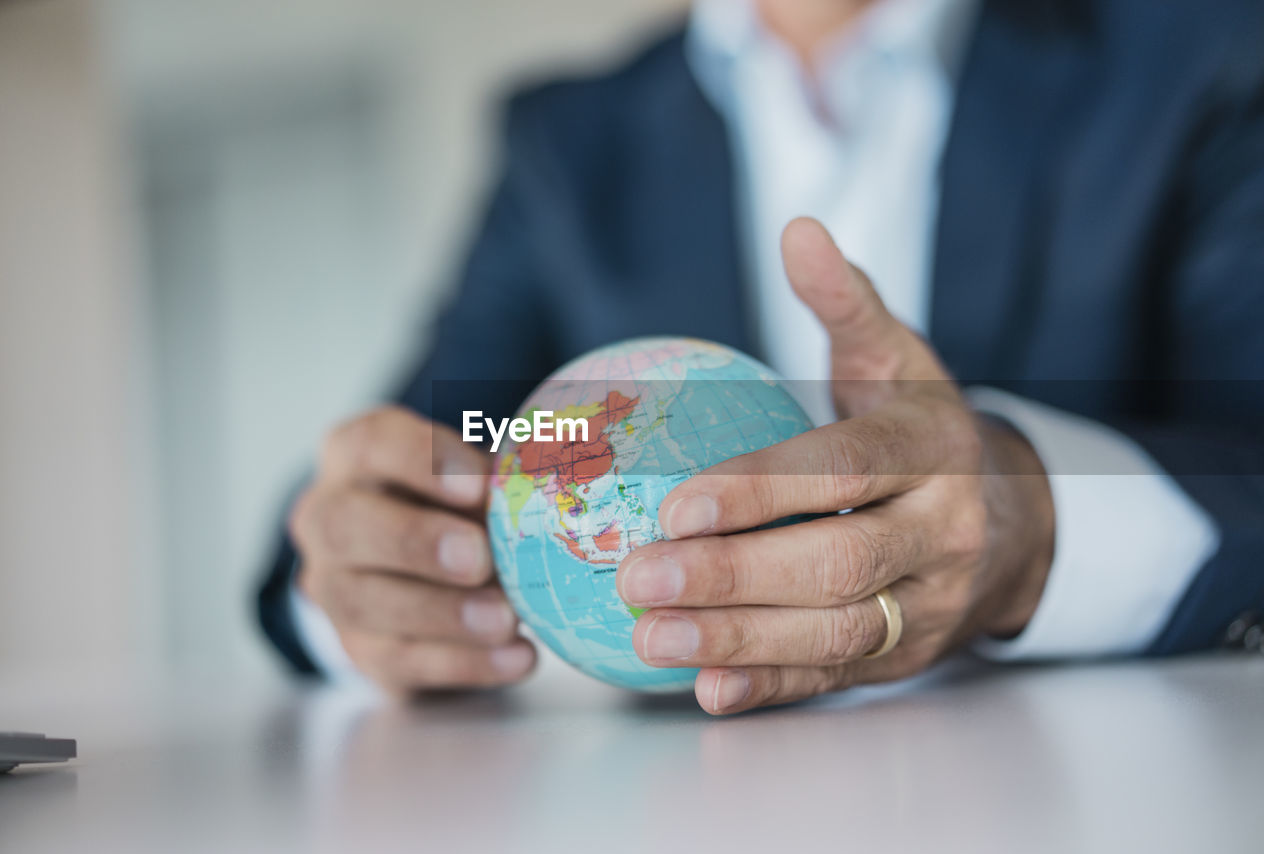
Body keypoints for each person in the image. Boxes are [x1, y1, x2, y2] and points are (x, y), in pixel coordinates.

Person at [258, 0, 1264, 714]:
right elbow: (419, 458)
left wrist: (1030, 523)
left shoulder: (1204, 50)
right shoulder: (565, 144)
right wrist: (361, 578)